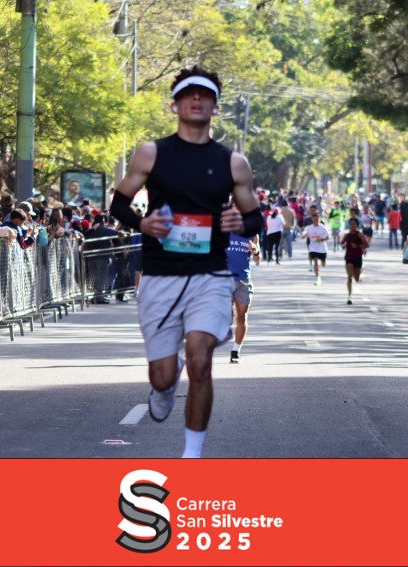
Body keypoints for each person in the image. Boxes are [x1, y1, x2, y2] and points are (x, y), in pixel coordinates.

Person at [108, 65, 261, 458]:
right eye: (188, 94)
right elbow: (119, 203)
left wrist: (239, 222)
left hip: (210, 275)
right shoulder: (151, 153)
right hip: (161, 275)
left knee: (200, 360)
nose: (196, 99)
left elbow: (255, 218)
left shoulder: (233, 162)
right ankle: (164, 381)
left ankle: (191, 455)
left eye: (205, 95)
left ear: (216, 107)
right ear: (173, 105)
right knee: (162, 376)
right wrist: (142, 222)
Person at [225, 223, 260, 363]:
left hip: (243, 280)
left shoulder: (252, 234)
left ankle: (236, 351)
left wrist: (255, 251)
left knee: (242, 317)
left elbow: (257, 259)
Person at [340, 217, 368, 304]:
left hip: (357, 257)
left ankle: (361, 273)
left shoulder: (359, 235)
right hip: (348, 257)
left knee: (356, 279)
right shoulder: (347, 235)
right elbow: (341, 243)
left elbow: (366, 244)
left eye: (354, 224)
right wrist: (343, 245)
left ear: (357, 225)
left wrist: (358, 246)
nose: (352, 226)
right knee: (349, 277)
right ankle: (349, 296)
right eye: (350, 224)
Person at [304, 209, 330, 285]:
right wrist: (305, 235)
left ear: (320, 219)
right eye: (314, 219)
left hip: (322, 249)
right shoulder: (309, 228)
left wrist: (321, 240)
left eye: (317, 219)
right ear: (312, 219)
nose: (316, 220)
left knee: (323, 264)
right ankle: (318, 277)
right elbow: (305, 234)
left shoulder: (323, 228)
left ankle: (323, 262)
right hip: (313, 248)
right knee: (315, 261)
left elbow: (328, 237)